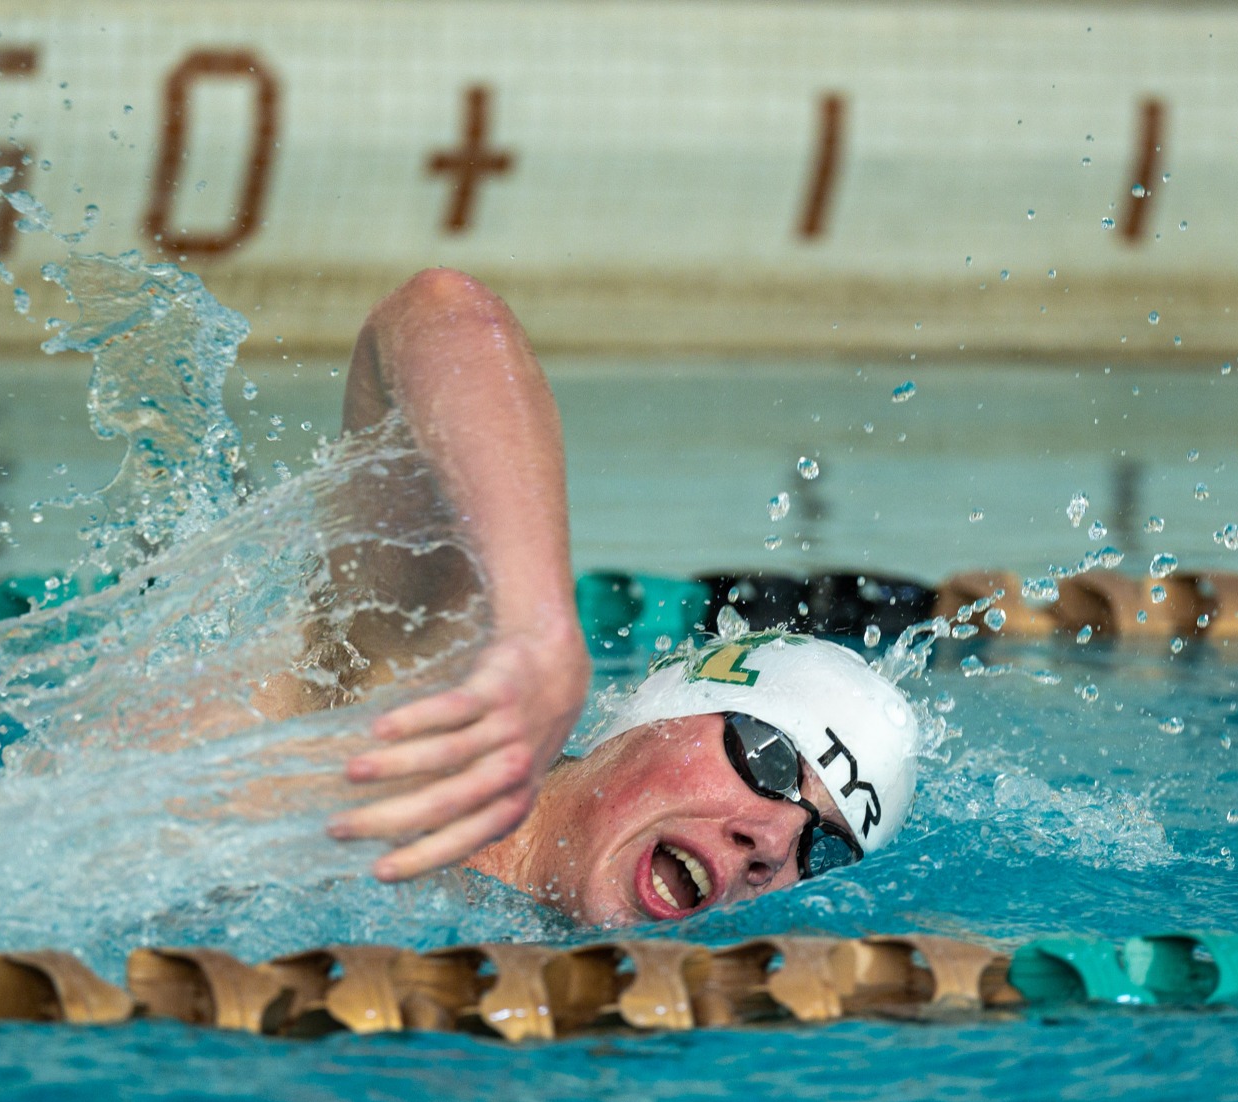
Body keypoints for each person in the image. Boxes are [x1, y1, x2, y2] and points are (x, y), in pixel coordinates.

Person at [317, 268, 920, 924]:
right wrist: (532, 624)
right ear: (661, 705)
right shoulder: (410, 697)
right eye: (769, 761)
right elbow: (442, 310)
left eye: (824, 849)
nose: (772, 845)